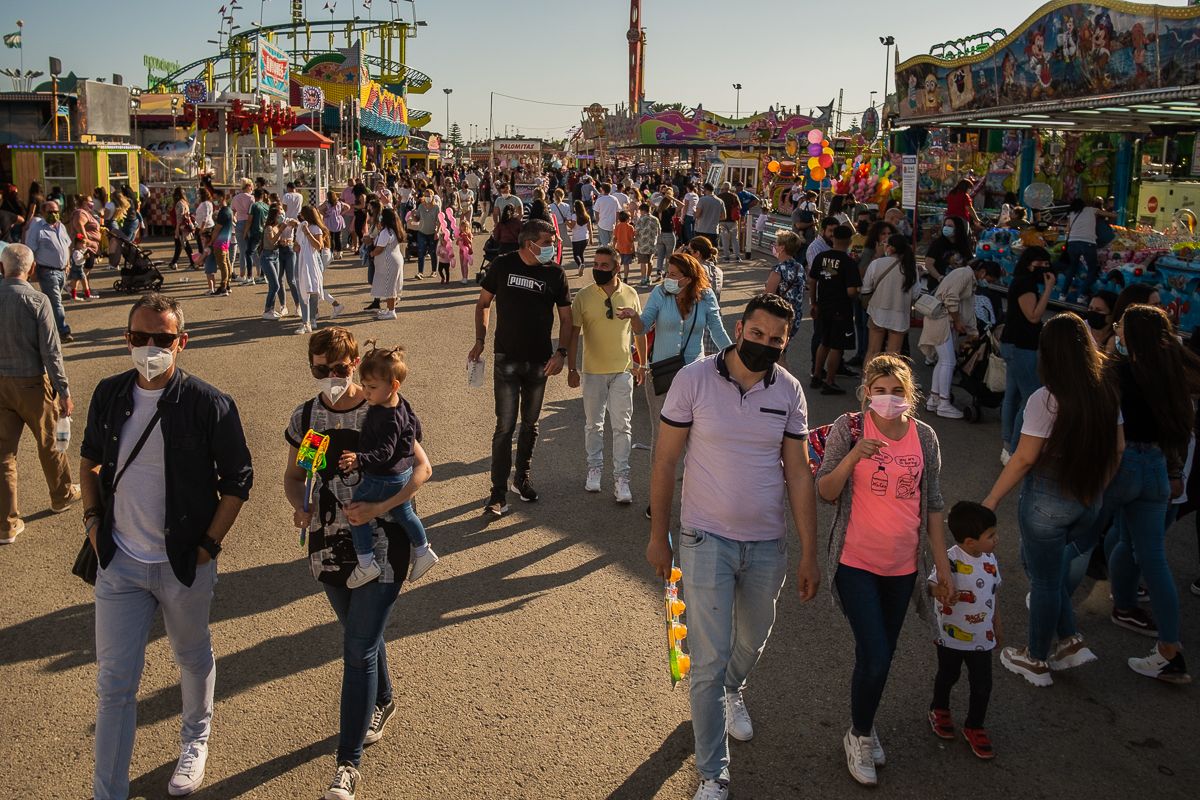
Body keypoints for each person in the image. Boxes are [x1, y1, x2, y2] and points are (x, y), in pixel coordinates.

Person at [646, 292, 818, 800]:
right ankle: (712, 772)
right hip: (704, 539)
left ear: (786, 345)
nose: (765, 345)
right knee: (708, 658)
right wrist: (660, 537)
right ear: (739, 328)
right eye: (758, 334)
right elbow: (664, 462)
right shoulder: (693, 379)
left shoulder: (788, 391)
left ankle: (731, 689)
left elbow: (800, 474)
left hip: (768, 542)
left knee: (753, 639)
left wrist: (809, 551)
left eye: (777, 341)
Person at [81, 292, 253, 799]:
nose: (149, 347)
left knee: (191, 653)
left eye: (161, 339)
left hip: (182, 562)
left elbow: (238, 480)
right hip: (119, 561)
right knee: (114, 685)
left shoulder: (210, 404)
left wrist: (207, 546)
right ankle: (107, 792)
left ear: (182, 342)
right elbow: (91, 461)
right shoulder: (110, 394)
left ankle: (195, 740)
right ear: (126, 339)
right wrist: (93, 524)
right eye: (140, 338)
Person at [283, 327, 432, 800]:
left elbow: (423, 469)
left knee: (358, 648)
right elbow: (298, 475)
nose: (331, 377)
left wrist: (378, 510)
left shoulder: (382, 406)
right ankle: (383, 699)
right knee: (359, 632)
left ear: (355, 365)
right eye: (320, 369)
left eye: (340, 368)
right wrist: (299, 504)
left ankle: (346, 766)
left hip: (383, 540)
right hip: (329, 541)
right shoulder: (308, 417)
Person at [814, 354, 952, 787]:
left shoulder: (925, 437)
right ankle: (858, 735)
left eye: (897, 391)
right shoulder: (850, 428)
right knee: (874, 654)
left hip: (902, 568)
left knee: (881, 656)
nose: (888, 398)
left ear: (910, 396)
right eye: (879, 390)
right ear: (866, 393)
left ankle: (865, 721)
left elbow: (932, 505)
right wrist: (856, 454)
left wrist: (942, 567)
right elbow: (825, 490)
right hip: (855, 563)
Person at [982, 313, 1121, 689]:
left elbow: (1025, 458)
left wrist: (991, 500)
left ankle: (1036, 658)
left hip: (1047, 501)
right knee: (1046, 570)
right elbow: (1117, 449)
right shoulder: (1105, 389)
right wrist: (1098, 489)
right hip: (1088, 501)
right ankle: (1069, 639)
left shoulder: (1046, 399)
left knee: (1043, 579)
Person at [1098, 305, 1199, 683]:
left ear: (1131, 335)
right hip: (1158, 467)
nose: (1116, 330)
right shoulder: (1170, 372)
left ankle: (1052, 634)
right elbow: (1181, 428)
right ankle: (1169, 649)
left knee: (1075, 537)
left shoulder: (1119, 371)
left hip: (1124, 466)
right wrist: (1174, 472)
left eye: (1120, 327)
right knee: (1152, 557)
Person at [469, 219, 573, 517]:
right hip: (507, 359)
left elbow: (566, 320)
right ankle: (497, 493)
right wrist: (479, 340)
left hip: (541, 362)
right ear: (530, 244)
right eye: (548, 241)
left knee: (530, 424)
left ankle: (521, 478)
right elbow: (483, 304)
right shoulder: (502, 265)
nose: (552, 246)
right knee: (505, 426)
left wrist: (561, 353)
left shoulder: (555, 274)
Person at [337, 344, 439, 587]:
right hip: (401, 472)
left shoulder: (386, 417)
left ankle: (365, 562)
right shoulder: (399, 403)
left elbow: (384, 452)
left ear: (393, 386)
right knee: (403, 512)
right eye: (364, 385)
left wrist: (360, 458)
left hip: (382, 476)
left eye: (372, 387)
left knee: (356, 511)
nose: (366, 392)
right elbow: (415, 425)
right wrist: (410, 442)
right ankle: (424, 550)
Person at [0, 244, 78, 543]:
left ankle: (7, 523)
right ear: (32, 269)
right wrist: (64, 390)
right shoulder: (37, 300)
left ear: (1, 267)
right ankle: (61, 494)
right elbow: (51, 352)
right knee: (52, 442)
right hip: (32, 384)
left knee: (4, 455)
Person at [617, 253, 731, 457]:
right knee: (661, 435)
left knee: (696, 435)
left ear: (688, 278)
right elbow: (642, 328)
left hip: (695, 376)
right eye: (667, 273)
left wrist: (736, 358)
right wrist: (634, 317)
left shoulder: (706, 296)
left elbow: (718, 332)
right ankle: (658, 486)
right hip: (661, 374)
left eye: (673, 274)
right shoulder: (660, 293)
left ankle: (694, 484)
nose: (667, 278)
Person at [565, 246, 646, 504]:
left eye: (604, 266)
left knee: (622, 426)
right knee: (593, 424)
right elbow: (573, 335)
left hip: (622, 370)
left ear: (617, 267)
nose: (598, 269)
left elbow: (639, 330)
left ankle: (622, 479)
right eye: (596, 265)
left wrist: (641, 364)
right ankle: (594, 469)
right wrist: (572, 368)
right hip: (592, 372)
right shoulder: (584, 296)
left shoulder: (631, 293)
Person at [928, 501, 1001, 760]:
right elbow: (930, 587)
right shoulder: (949, 560)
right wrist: (942, 592)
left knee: (983, 685)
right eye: (990, 536)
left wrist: (996, 625)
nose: (996, 539)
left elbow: (994, 593)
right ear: (970, 542)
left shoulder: (991, 560)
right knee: (948, 675)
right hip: (950, 635)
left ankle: (975, 725)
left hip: (982, 637)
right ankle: (939, 708)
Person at [1000, 247, 1056, 463]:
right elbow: (1033, 316)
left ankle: (1008, 447)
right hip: (1021, 346)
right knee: (1031, 397)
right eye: (1041, 263)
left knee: (1012, 397)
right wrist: (1049, 288)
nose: (1044, 268)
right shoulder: (1025, 283)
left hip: (1013, 344)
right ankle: (1015, 448)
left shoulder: (1022, 280)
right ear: (1031, 262)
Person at [920, 258, 993, 419]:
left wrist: (971, 331)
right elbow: (951, 299)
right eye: (989, 278)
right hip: (942, 321)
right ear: (982, 272)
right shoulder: (964, 275)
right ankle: (943, 403)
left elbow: (967, 307)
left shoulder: (966, 277)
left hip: (943, 321)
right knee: (948, 362)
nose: (987, 282)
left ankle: (934, 399)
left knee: (943, 361)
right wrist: (960, 322)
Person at [807, 224, 861, 395]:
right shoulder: (849, 262)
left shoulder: (821, 257)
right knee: (837, 346)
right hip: (841, 309)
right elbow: (851, 291)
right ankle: (830, 381)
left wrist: (813, 302)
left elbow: (813, 280)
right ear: (849, 241)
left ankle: (816, 375)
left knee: (824, 342)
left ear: (833, 238)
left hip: (823, 305)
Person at [861, 234, 918, 363]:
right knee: (894, 354)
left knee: (873, 351)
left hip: (877, 310)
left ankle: (867, 381)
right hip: (900, 314)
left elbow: (866, 288)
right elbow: (915, 293)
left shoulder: (876, 264)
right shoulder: (910, 267)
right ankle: (889, 382)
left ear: (890, 248)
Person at [24, 200, 73, 342]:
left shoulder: (61, 227)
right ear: (44, 212)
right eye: (51, 212)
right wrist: (31, 271)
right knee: (56, 302)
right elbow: (30, 250)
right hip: (47, 271)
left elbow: (67, 245)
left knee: (52, 304)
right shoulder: (37, 229)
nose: (54, 214)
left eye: (56, 211)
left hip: (62, 271)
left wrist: (68, 263)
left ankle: (46, 328)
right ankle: (64, 331)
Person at [1065, 196, 1117, 294]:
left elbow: (1066, 230)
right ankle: (1082, 295)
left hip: (1072, 243)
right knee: (1092, 270)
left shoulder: (1071, 214)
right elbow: (1112, 216)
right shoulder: (1092, 210)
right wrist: (1115, 212)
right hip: (1087, 243)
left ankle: (1063, 294)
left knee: (1072, 268)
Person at [763, 230, 807, 346]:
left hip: (779, 316)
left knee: (776, 355)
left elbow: (767, 297)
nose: (774, 247)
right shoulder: (800, 267)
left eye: (776, 244)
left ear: (782, 248)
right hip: (794, 316)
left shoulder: (779, 270)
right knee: (782, 350)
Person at [295, 206, 330, 335]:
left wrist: (307, 233)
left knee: (313, 291)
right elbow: (296, 247)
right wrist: (296, 244)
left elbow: (318, 246)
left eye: (302, 214)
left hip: (313, 263)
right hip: (301, 262)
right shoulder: (301, 228)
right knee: (303, 291)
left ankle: (312, 319)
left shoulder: (315, 228)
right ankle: (306, 322)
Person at [924, 217, 973, 289]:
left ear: (958, 228)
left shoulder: (963, 244)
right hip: (938, 286)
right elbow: (928, 264)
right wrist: (939, 277)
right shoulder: (937, 244)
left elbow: (969, 262)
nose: (946, 228)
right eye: (945, 225)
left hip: (957, 285)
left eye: (950, 226)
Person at [411, 190, 442, 280]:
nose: (428, 197)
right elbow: (417, 219)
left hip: (432, 233)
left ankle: (434, 271)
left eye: (429, 196)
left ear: (433, 196)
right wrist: (413, 215)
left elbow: (439, 221)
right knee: (421, 252)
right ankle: (420, 272)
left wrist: (437, 232)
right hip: (422, 232)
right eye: (426, 195)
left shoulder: (436, 207)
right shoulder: (421, 206)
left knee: (433, 252)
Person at [230, 179, 255, 283]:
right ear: (249, 186)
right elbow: (253, 212)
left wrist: (236, 221)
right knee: (252, 251)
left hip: (239, 223)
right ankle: (255, 274)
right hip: (250, 224)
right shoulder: (252, 198)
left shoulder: (235, 198)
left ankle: (242, 274)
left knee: (242, 250)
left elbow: (232, 212)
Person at [654, 190, 680, 280]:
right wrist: (672, 198)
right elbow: (682, 205)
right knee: (669, 255)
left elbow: (651, 202)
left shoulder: (656, 211)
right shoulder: (669, 210)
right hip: (668, 234)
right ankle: (666, 272)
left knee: (660, 255)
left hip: (659, 235)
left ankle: (658, 272)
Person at [634, 202, 661, 286]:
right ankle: (649, 278)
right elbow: (659, 231)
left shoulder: (641, 219)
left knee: (643, 262)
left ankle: (643, 279)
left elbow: (636, 231)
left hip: (643, 244)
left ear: (642, 210)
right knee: (650, 261)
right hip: (652, 244)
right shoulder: (655, 219)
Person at [693, 183, 725, 250]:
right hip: (714, 230)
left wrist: (694, 213)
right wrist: (714, 218)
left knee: (700, 250)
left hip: (701, 229)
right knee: (712, 250)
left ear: (705, 189)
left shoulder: (702, 200)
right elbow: (724, 216)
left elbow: (697, 214)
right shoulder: (720, 201)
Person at [169, 187, 195, 269]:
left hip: (181, 228)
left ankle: (174, 263)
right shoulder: (185, 202)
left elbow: (179, 218)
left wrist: (177, 229)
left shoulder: (179, 204)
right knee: (183, 245)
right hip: (185, 227)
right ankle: (191, 262)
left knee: (181, 245)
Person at [716, 182, 741, 263]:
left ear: (723, 188)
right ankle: (737, 256)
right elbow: (739, 207)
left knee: (725, 239)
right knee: (734, 239)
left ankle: (726, 257)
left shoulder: (719, 196)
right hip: (733, 221)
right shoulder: (734, 196)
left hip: (722, 221)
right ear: (730, 188)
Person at [321, 191, 351, 258]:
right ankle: (339, 253)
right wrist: (342, 212)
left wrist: (324, 214)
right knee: (338, 237)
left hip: (330, 220)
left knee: (330, 237)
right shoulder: (339, 203)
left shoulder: (327, 203)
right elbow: (348, 207)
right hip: (337, 220)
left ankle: (332, 252)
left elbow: (318, 208)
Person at [567, 200, 592, 276]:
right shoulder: (587, 216)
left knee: (576, 255)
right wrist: (591, 239)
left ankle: (580, 264)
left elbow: (572, 226)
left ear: (576, 207)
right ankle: (581, 269)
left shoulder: (574, 216)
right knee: (581, 254)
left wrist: (567, 222)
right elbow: (590, 229)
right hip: (585, 238)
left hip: (577, 238)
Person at [613, 210, 636, 282]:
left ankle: (619, 274)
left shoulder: (617, 226)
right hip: (628, 248)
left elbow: (615, 238)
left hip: (619, 248)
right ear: (627, 219)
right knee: (626, 264)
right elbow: (632, 239)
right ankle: (625, 278)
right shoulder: (630, 227)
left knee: (618, 263)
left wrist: (613, 247)